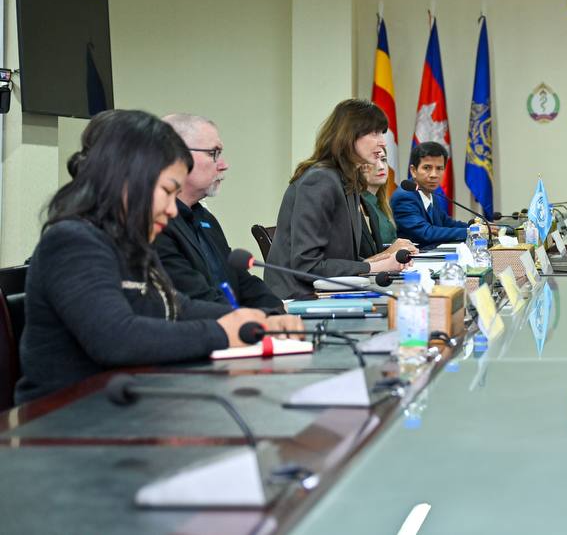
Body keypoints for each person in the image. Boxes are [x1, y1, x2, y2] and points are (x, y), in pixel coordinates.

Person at [15, 111, 301, 404]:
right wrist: (222, 332)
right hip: (64, 415)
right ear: (127, 181)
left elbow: (175, 308)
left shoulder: (129, 242)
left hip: (121, 404)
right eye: (166, 191)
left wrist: (258, 321)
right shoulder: (72, 241)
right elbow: (116, 338)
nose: (173, 209)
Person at [265, 99, 410, 299]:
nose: (383, 142)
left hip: (331, 290)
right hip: (300, 297)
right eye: (374, 133)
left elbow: (340, 258)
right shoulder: (320, 180)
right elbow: (307, 266)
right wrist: (374, 266)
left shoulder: (347, 179)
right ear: (349, 135)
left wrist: (382, 260)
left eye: (381, 133)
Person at [153, 114, 283, 313]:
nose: (223, 164)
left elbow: (242, 281)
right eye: (213, 153)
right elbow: (194, 297)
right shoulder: (157, 223)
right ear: (177, 156)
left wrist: (276, 311)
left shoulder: (205, 218)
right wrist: (259, 319)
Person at [392, 141, 487, 248]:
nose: (434, 175)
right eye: (427, 168)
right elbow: (426, 233)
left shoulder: (431, 195)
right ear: (413, 171)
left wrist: (478, 226)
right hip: (413, 256)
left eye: (439, 168)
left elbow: (448, 223)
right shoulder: (405, 196)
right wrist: (474, 231)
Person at [359, 151, 403, 257]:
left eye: (383, 160)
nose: (381, 167)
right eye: (372, 161)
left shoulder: (382, 204)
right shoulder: (358, 205)